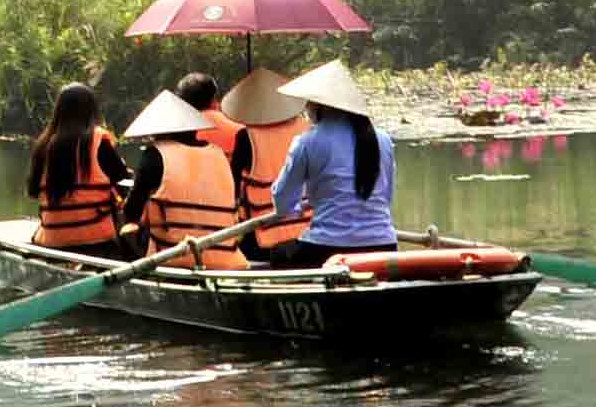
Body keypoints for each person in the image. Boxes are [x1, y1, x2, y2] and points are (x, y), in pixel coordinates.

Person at [251, 60, 398, 268]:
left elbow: (282, 202)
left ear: (318, 105)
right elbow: (387, 197)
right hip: (384, 245)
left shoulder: (307, 141)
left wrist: (296, 209)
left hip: (326, 249)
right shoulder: (383, 139)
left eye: (308, 102)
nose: (306, 108)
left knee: (278, 253)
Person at [118, 88, 258, 269]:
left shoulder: (155, 154)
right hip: (225, 254)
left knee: (127, 229)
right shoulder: (218, 154)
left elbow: (132, 211)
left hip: (173, 254)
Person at [26, 81, 127, 255]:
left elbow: (33, 192)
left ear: (58, 111)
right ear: (91, 110)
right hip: (99, 241)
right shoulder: (98, 140)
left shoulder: (43, 145)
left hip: (52, 240)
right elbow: (123, 182)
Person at [222, 68, 315, 257]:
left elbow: (231, 185)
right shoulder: (308, 129)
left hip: (262, 237)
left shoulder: (246, 137)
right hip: (311, 231)